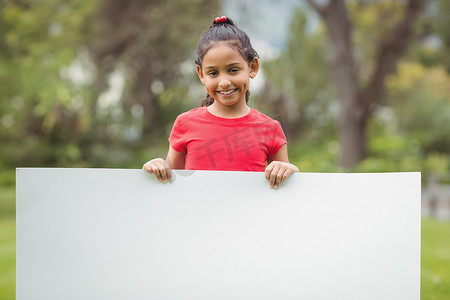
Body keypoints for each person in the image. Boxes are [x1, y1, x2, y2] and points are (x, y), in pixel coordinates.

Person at [143, 16, 299, 189]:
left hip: (250, 215)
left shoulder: (271, 129)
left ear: (253, 67)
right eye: (213, 73)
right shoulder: (185, 123)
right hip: (197, 215)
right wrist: (157, 168)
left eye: (233, 70)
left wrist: (288, 170)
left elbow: (287, 189)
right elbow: (170, 180)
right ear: (201, 74)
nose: (224, 82)